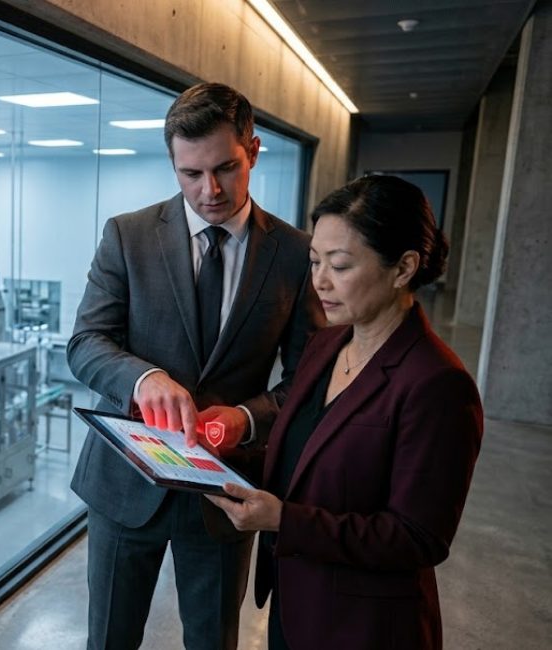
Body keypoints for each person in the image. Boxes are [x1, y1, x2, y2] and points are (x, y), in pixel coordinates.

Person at [68, 82, 324, 649]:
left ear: (253, 151)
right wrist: (143, 377)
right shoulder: (127, 236)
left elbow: (309, 379)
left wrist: (247, 417)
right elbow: (85, 342)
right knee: (109, 639)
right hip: (125, 484)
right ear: (173, 163)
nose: (209, 190)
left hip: (225, 493)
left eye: (226, 168)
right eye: (190, 173)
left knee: (212, 641)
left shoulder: (294, 254)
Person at [207, 175, 483, 649]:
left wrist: (283, 521)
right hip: (296, 605)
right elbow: (305, 455)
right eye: (314, 261)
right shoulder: (328, 344)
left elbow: (419, 537)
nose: (319, 281)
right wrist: (211, 459)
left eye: (340, 265)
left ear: (404, 268)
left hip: (364, 624)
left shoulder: (436, 383)